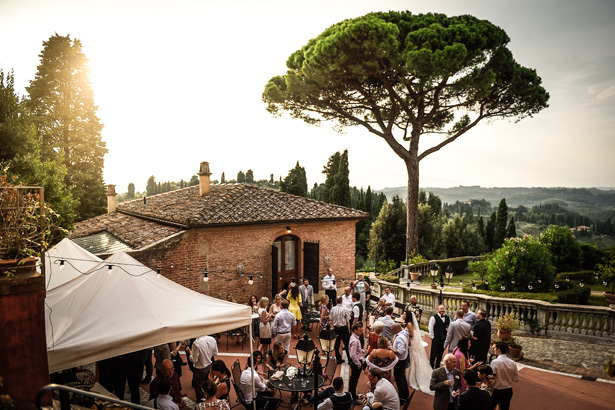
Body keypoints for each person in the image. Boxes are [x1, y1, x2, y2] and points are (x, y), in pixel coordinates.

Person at [407, 305, 435, 395]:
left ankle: (414, 378)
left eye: (404, 314)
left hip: (412, 342)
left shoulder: (409, 324)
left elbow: (411, 334)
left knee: (413, 358)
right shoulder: (411, 323)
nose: (403, 315)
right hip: (415, 342)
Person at [186, 334, 218, 403]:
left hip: (200, 369)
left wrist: (190, 353)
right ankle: (209, 401)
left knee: (199, 389)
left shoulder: (196, 343)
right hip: (209, 366)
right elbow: (215, 353)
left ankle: (201, 404)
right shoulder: (212, 339)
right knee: (209, 386)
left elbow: (194, 360)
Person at [490, 342, 518, 410]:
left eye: (495, 348)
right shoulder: (513, 363)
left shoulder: (495, 362)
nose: (494, 350)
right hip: (508, 390)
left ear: (499, 349)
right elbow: (516, 379)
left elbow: (492, 376)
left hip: (497, 390)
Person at [391, 323, 410, 403]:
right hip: (403, 360)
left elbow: (401, 351)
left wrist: (391, 349)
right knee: (402, 377)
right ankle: (406, 394)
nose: (392, 331)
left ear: (396, 330)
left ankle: (402, 397)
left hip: (400, 361)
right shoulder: (404, 334)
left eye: (392, 330)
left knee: (399, 379)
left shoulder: (400, 338)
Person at [330, 296, 351, 364]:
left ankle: (338, 359)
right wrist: (349, 330)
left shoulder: (333, 309)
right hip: (344, 328)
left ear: (336, 301)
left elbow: (331, 318)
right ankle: (350, 360)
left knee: (336, 345)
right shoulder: (345, 309)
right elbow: (348, 321)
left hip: (336, 328)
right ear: (342, 301)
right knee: (347, 344)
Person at [429, 305, 450, 369]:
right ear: (437, 309)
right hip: (436, 338)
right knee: (433, 354)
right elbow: (430, 328)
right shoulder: (433, 318)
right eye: (441, 309)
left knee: (440, 354)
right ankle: (431, 367)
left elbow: (449, 328)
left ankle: (437, 367)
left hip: (443, 339)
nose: (442, 310)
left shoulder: (447, 318)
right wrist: (433, 337)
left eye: (443, 309)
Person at [348, 322, 364, 403]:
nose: (361, 332)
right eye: (360, 331)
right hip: (356, 362)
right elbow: (353, 355)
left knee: (353, 379)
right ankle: (352, 397)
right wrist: (358, 364)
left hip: (355, 361)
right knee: (354, 380)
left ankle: (352, 395)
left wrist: (361, 351)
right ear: (355, 330)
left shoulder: (354, 337)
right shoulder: (355, 340)